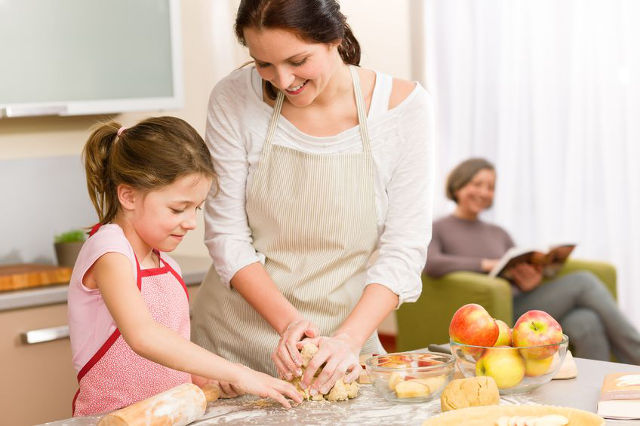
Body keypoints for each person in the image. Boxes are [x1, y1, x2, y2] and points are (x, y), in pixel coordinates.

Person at [190, 0, 434, 397]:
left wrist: (347, 341)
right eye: (263, 64)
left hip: (342, 348)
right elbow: (226, 237)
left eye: (297, 61)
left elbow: (404, 249)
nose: (282, 80)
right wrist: (290, 324)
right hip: (230, 349)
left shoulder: (403, 110)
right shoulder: (234, 98)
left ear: (334, 37)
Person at [68, 117, 301, 416]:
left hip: (170, 417)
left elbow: (165, 358)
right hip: (113, 420)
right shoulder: (109, 252)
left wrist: (204, 377)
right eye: (178, 209)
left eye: (197, 209)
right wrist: (237, 371)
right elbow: (144, 336)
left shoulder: (166, 264)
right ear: (128, 195)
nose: (191, 223)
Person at [425, 158, 640, 364]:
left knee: (585, 321)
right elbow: (432, 263)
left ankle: (603, 389)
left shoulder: (498, 232)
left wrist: (531, 280)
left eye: (490, 187)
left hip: (523, 301)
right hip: (494, 316)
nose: (484, 192)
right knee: (584, 281)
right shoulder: (439, 227)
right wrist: (485, 264)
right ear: (457, 185)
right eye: (477, 184)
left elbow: (515, 266)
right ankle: (636, 354)